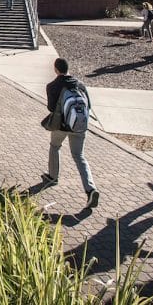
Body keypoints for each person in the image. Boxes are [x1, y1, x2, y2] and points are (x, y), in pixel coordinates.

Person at [43, 58, 100, 209]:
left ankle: (53, 176)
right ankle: (90, 189)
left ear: (56, 69)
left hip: (61, 125)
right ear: (68, 68)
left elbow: (51, 108)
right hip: (79, 126)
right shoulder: (80, 84)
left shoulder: (52, 86)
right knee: (79, 156)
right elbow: (89, 105)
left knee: (55, 146)